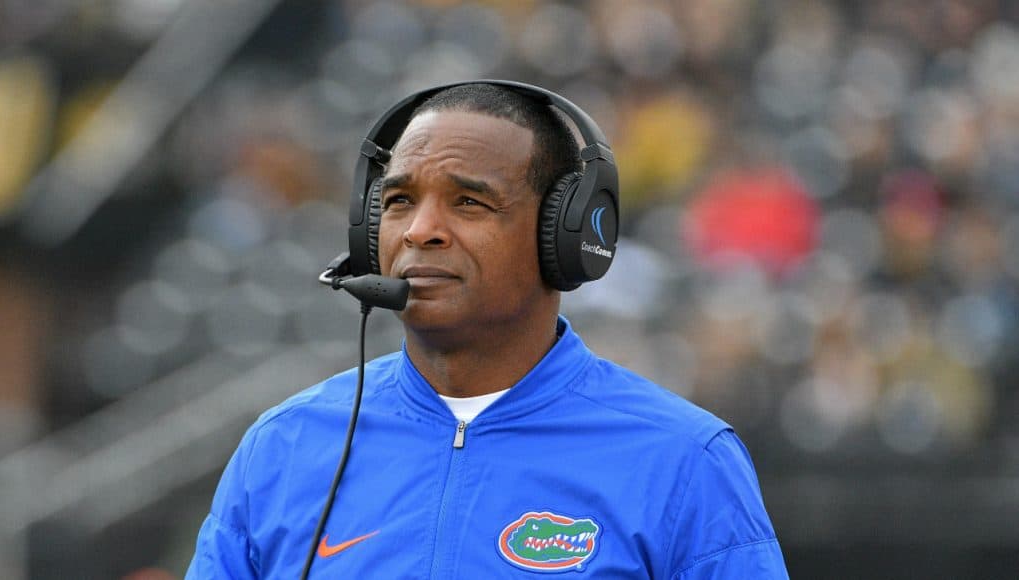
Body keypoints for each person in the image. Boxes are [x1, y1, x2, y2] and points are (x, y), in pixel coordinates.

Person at [186, 82, 788, 578]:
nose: (421, 230)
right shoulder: (282, 446)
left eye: (469, 203)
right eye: (398, 202)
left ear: (566, 236)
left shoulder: (685, 460)